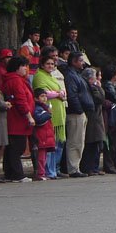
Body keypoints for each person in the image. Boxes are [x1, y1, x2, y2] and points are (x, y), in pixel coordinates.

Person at [33, 49, 67, 179]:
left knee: (57, 144)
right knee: (48, 145)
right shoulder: (39, 76)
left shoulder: (51, 76)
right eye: (48, 64)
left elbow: (59, 90)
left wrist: (60, 93)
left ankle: (54, 169)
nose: (50, 66)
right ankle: (48, 170)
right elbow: (43, 92)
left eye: (52, 64)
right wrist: (58, 94)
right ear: (42, 65)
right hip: (47, 111)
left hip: (58, 110)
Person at [2, 56, 35, 183]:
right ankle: (17, 174)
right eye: (23, 66)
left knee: (12, 148)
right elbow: (21, 100)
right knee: (17, 147)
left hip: (15, 118)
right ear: (17, 67)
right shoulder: (16, 81)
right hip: (18, 119)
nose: (26, 69)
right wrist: (29, 116)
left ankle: (10, 172)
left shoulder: (13, 79)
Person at [63, 51, 93, 178]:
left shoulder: (77, 74)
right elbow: (72, 95)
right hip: (75, 113)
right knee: (75, 141)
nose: (83, 63)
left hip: (81, 112)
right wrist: (79, 109)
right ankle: (73, 168)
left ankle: (76, 166)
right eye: (80, 60)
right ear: (74, 61)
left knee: (80, 140)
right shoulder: (70, 75)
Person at [79, 67, 105, 176]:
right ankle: (88, 167)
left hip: (97, 118)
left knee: (96, 144)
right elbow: (100, 98)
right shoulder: (89, 87)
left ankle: (94, 167)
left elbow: (102, 97)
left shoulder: (94, 87)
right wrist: (97, 88)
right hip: (92, 117)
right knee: (91, 144)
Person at [101, 64, 116, 174]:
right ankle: (110, 164)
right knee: (112, 143)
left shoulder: (114, 85)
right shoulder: (108, 85)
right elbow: (114, 96)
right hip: (112, 115)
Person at [31, 88, 55, 181]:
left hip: (45, 136)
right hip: (41, 136)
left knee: (44, 156)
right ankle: (40, 173)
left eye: (45, 96)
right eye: (42, 96)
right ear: (36, 98)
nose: (45, 98)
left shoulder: (44, 107)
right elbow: (39, 119)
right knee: (40, 157)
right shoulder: (37, 108)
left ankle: (43, 172)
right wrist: (48, 114)